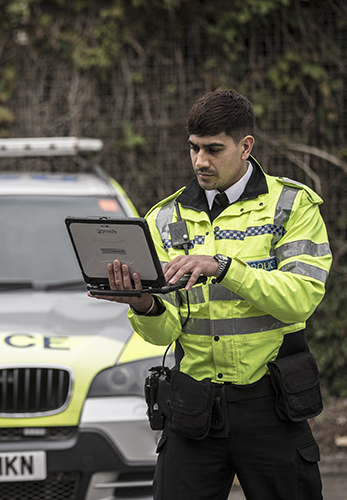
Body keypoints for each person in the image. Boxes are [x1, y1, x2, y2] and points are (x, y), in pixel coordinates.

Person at [91, 90, 332, 500]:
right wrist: (144, 303)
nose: (200, 161)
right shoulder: (163, 219)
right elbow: (164, 331)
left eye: (213, 149)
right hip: (193, 409)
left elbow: (301, 297)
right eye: (194, 148)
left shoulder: (292, 206)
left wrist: (224, 267)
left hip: (271, 406)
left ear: (245, 147)